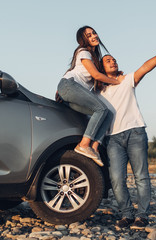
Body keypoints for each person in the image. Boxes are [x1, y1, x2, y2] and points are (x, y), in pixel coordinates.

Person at [98, 49, 156, 229]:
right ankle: (127, 214)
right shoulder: (97, 91)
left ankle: (142, 215)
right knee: (117, 179)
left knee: (141, 176)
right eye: (108, 60)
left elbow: (145, 68)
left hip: (135, 132)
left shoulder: (126, 80)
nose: (113, 61)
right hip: (112, 138)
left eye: (114, 59)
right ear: (101, 68)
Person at [57, 26, 124, 166]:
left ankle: (94, 148)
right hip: (69, 86)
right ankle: (84, 144)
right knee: (101, 109)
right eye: (89, 35)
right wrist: (116, 81)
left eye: (94, 33)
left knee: (108, 114)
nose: (94, 36)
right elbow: (96, 75)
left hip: (72, 91)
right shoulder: (83, 52)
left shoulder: (93, 59)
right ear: (83, 40)